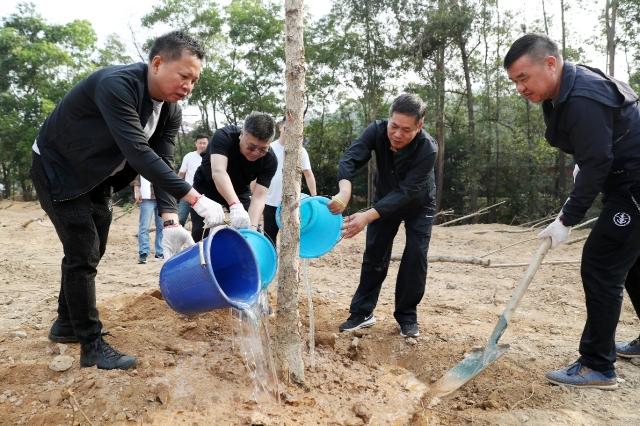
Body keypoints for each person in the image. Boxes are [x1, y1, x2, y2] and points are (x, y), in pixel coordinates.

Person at [30, 31, 226, 371]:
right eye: (184, 76)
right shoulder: (116, 85)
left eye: (194, 81)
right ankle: (91, 344)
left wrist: (169, 218)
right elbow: (137, 151)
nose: (188, 86)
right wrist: (195, 198)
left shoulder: (170, 111)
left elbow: (162, 161)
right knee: (82, 252)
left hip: (96, 178)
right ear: (157, 63)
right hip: (58, 169)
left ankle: (65, 324)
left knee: (93, 250)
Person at [504, 33, 640, 389]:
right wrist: (588, 160)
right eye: (514, 82)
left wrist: (567, 219)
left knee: (601, 261)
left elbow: (597, 162)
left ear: (550, 64)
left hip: (635, 186)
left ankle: (597, 365)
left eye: (523, 78)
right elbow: (598, 146)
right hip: (626, 180)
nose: (520, 88)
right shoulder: (569, 86)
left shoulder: (581, 95)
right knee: (632, 263)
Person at [328, 93, 438, 338]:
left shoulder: (428, 149)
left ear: (419, 126)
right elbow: (350, 158)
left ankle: (407, 317)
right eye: (394, 126)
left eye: (406, 130)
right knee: (375, 252)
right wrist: (344, 191)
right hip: (384, 199)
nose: (397, 134)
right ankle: (362, 313)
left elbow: (408, 191)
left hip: (419, 204)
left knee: (415, 255)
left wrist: (366, 216)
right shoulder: (376, 131)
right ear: (388, 119)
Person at [191, 112, 277, 241]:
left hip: (239, 190)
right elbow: (219, 172)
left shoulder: (270, 160)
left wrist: (251, 230)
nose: (256, 153)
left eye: (263, 149)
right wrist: (235, 205)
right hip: (206, 186)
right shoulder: (224, 137)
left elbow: (259, 197)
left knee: (249, 229)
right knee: (202, 231)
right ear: (241, 135)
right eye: (251, 147)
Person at [264, 119, 317, 246]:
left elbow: (308, 175)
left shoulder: (301, 151)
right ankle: (272, 264)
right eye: (285, 128)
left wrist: (314, 197)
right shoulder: (268, 148)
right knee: (269, 239)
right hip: (270, 202)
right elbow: (257, 174)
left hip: (292, 204)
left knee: (290, 242)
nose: (288, 131)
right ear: (280, 128)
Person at [177, 134, 209, 226]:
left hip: (204, 192)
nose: (202, 145)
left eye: (204, 143)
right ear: (196, 144)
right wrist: (174, 187)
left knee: (201, 220)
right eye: (200, 143)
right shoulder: (189, 156)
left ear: (208, 144)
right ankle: (178, 238)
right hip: (187, 190)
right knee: (181, 218)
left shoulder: (211, 157)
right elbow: (181, 174)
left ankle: (199, 239)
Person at [133, 176, 164, 264]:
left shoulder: (166, 162)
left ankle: (160, 252)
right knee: (144, 226)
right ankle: (143, 252)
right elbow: (137, 175)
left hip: (161, 197)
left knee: (161, 227)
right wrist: (136, 190)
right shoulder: (142, 162)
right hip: (146, 198)